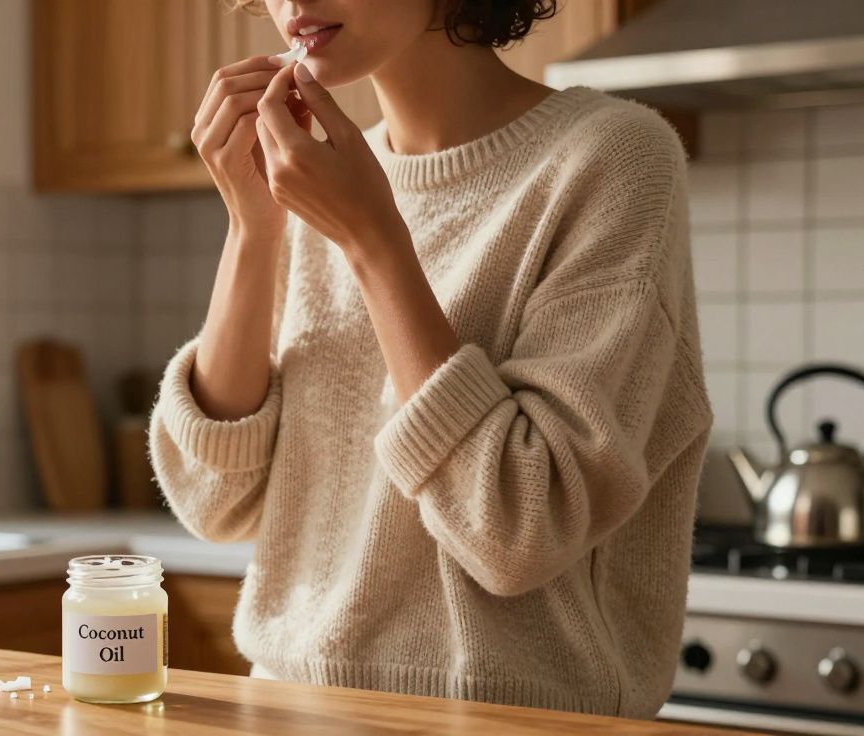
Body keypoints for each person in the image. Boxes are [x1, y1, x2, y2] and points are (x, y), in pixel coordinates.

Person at [148, 0, 712, 718]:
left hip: (505, 721)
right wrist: (252, 227)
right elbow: (215, 499)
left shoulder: (613, 159)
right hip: (287, 709)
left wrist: (375, 242)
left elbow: (518, 529)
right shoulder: (320, 174)